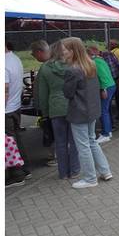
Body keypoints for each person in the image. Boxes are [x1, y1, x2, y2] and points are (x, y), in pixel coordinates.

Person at [61, 37, 113, 189]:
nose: (62, 53)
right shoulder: (91, 64)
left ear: (72, 51)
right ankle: (105, 171)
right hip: (92, 109)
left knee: (83, 145)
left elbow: (68, 93)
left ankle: (90, 178)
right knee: (92, 141)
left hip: (79, 112)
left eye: (64, 50)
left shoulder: (72, 70)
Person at [37, 40, 81, 180]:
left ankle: (63, 173)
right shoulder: (74, 65)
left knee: (60, 142)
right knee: (74, 141)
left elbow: (42, 93)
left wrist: (44, 112)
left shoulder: (45, 68)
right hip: (73, 106)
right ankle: (75, 170)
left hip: (55, 108)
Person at [5, 42, 30, 187]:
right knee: (16, 139)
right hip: (15, 107)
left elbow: (4, 90)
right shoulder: (15, 58)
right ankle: (25, 169)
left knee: (9, 143)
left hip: (6, 110)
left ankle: (17, 175)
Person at [29, 40, 58, 167]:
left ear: (39, 52)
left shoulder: (47, 66)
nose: (34, 57)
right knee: (57, 131)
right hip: (55, 105)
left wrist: (41, 108)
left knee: (52, 132)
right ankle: (58, 155)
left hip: (51, 107)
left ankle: (56, 156)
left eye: (34, 54)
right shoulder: (55, 62)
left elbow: (43, 90)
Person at [88, 45, 116, 144]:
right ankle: (108, 130)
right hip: (111, 85)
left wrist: (103, 89)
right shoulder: (101, 60)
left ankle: (106, 134)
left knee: (103, 111)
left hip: (106, 87)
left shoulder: (93, 63)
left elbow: (101, 75)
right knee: (106, 109)